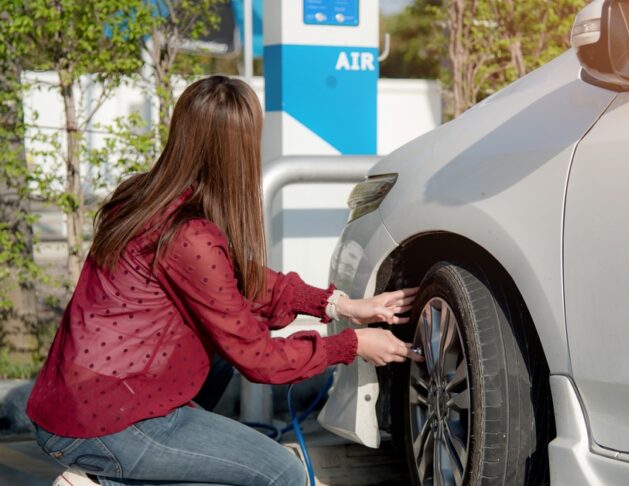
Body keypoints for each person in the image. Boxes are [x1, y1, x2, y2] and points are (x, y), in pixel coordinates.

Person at [26, 75, 422, 486]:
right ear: (239, 150)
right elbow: (258, 359)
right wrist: (351, 344)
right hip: (105, 422)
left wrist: (337, 304)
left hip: (71, 400)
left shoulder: (142, 195)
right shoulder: (190, 236)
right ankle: (109, 479)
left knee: (215, 362)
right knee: (281, 474)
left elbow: (238, 281)